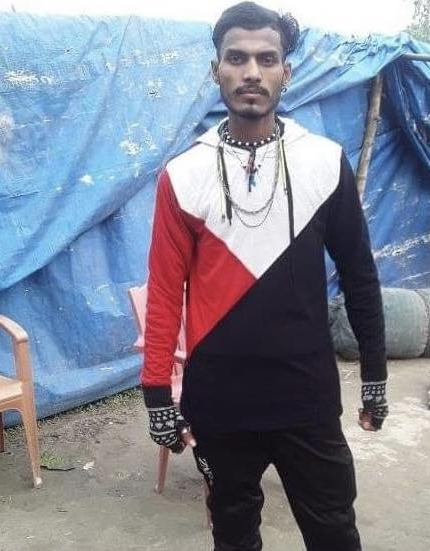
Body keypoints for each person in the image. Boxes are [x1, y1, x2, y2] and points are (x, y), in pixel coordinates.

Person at [141, 3, 388, 550]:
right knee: (233, 536)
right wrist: (157, 393)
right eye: (236, 58)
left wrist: (375, 375)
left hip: (306, 395)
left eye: (266, 59)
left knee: (334, 534)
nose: (251, 71)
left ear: (286, 72)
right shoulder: (183, 175)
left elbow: (360, 276)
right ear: (216, 70)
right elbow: (164, 292)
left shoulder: (324, 161)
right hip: (220, 399)